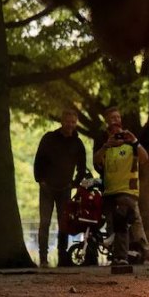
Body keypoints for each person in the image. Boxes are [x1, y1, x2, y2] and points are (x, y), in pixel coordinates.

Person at [93, 107, 149, 269]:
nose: (115, 120)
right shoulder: (103, 141)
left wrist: (134, 141)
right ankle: (129, 254)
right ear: (106, 121)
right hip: (109, 191)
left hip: (127, 191)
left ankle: (124, 257)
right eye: (111, 118)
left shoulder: (130, 141)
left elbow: (144, 158)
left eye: (117, 117)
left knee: (122, 220)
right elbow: (96, 162)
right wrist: (106, 146)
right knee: (115, 225)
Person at [33, 109, 87, 267]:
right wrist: (40, 180)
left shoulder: (78, 143)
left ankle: (62, 257)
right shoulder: (49, 138)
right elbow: (39, 160)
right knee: (45, 223)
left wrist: (75, 183)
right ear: (62, 121)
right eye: (67, 121)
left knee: (64, 223)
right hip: (47, 188)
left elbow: (82, 168)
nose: (70, 125)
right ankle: (43, 258)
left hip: (65, 188)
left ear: (75, 123)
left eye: (73, 122)